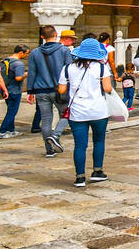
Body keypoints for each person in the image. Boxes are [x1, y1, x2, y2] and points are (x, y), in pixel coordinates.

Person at [60, 37, 112, 188]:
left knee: (80, 145)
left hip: (77, 111)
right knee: (99, 141)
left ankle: (80, 177)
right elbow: (108, 88)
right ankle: (97, 171)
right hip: (98, 110)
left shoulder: (68, 68)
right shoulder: (102, 68)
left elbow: (62, 90)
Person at [26, 26, 74, 157]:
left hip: (41, 90)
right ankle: (55, 135)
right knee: (67, 114)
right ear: (56, 35)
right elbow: (69, 70)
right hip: (60, 89)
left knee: (46, 120)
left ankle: (49, 150)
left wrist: (30, 91)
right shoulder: (64, 50)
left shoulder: (35, 52)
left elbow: (32, 72)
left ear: (42, 37)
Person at [0, 45, 28, 137]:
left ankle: (11, 130)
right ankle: (2, 131)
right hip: (15, 90)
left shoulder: (5, 60)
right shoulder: (18, 64)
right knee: (12, 112)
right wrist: (26, 74)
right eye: (26, 53)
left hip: (5, 89)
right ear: (21, 53)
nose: (27, 55)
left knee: (10, 110)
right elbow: (18, 78)